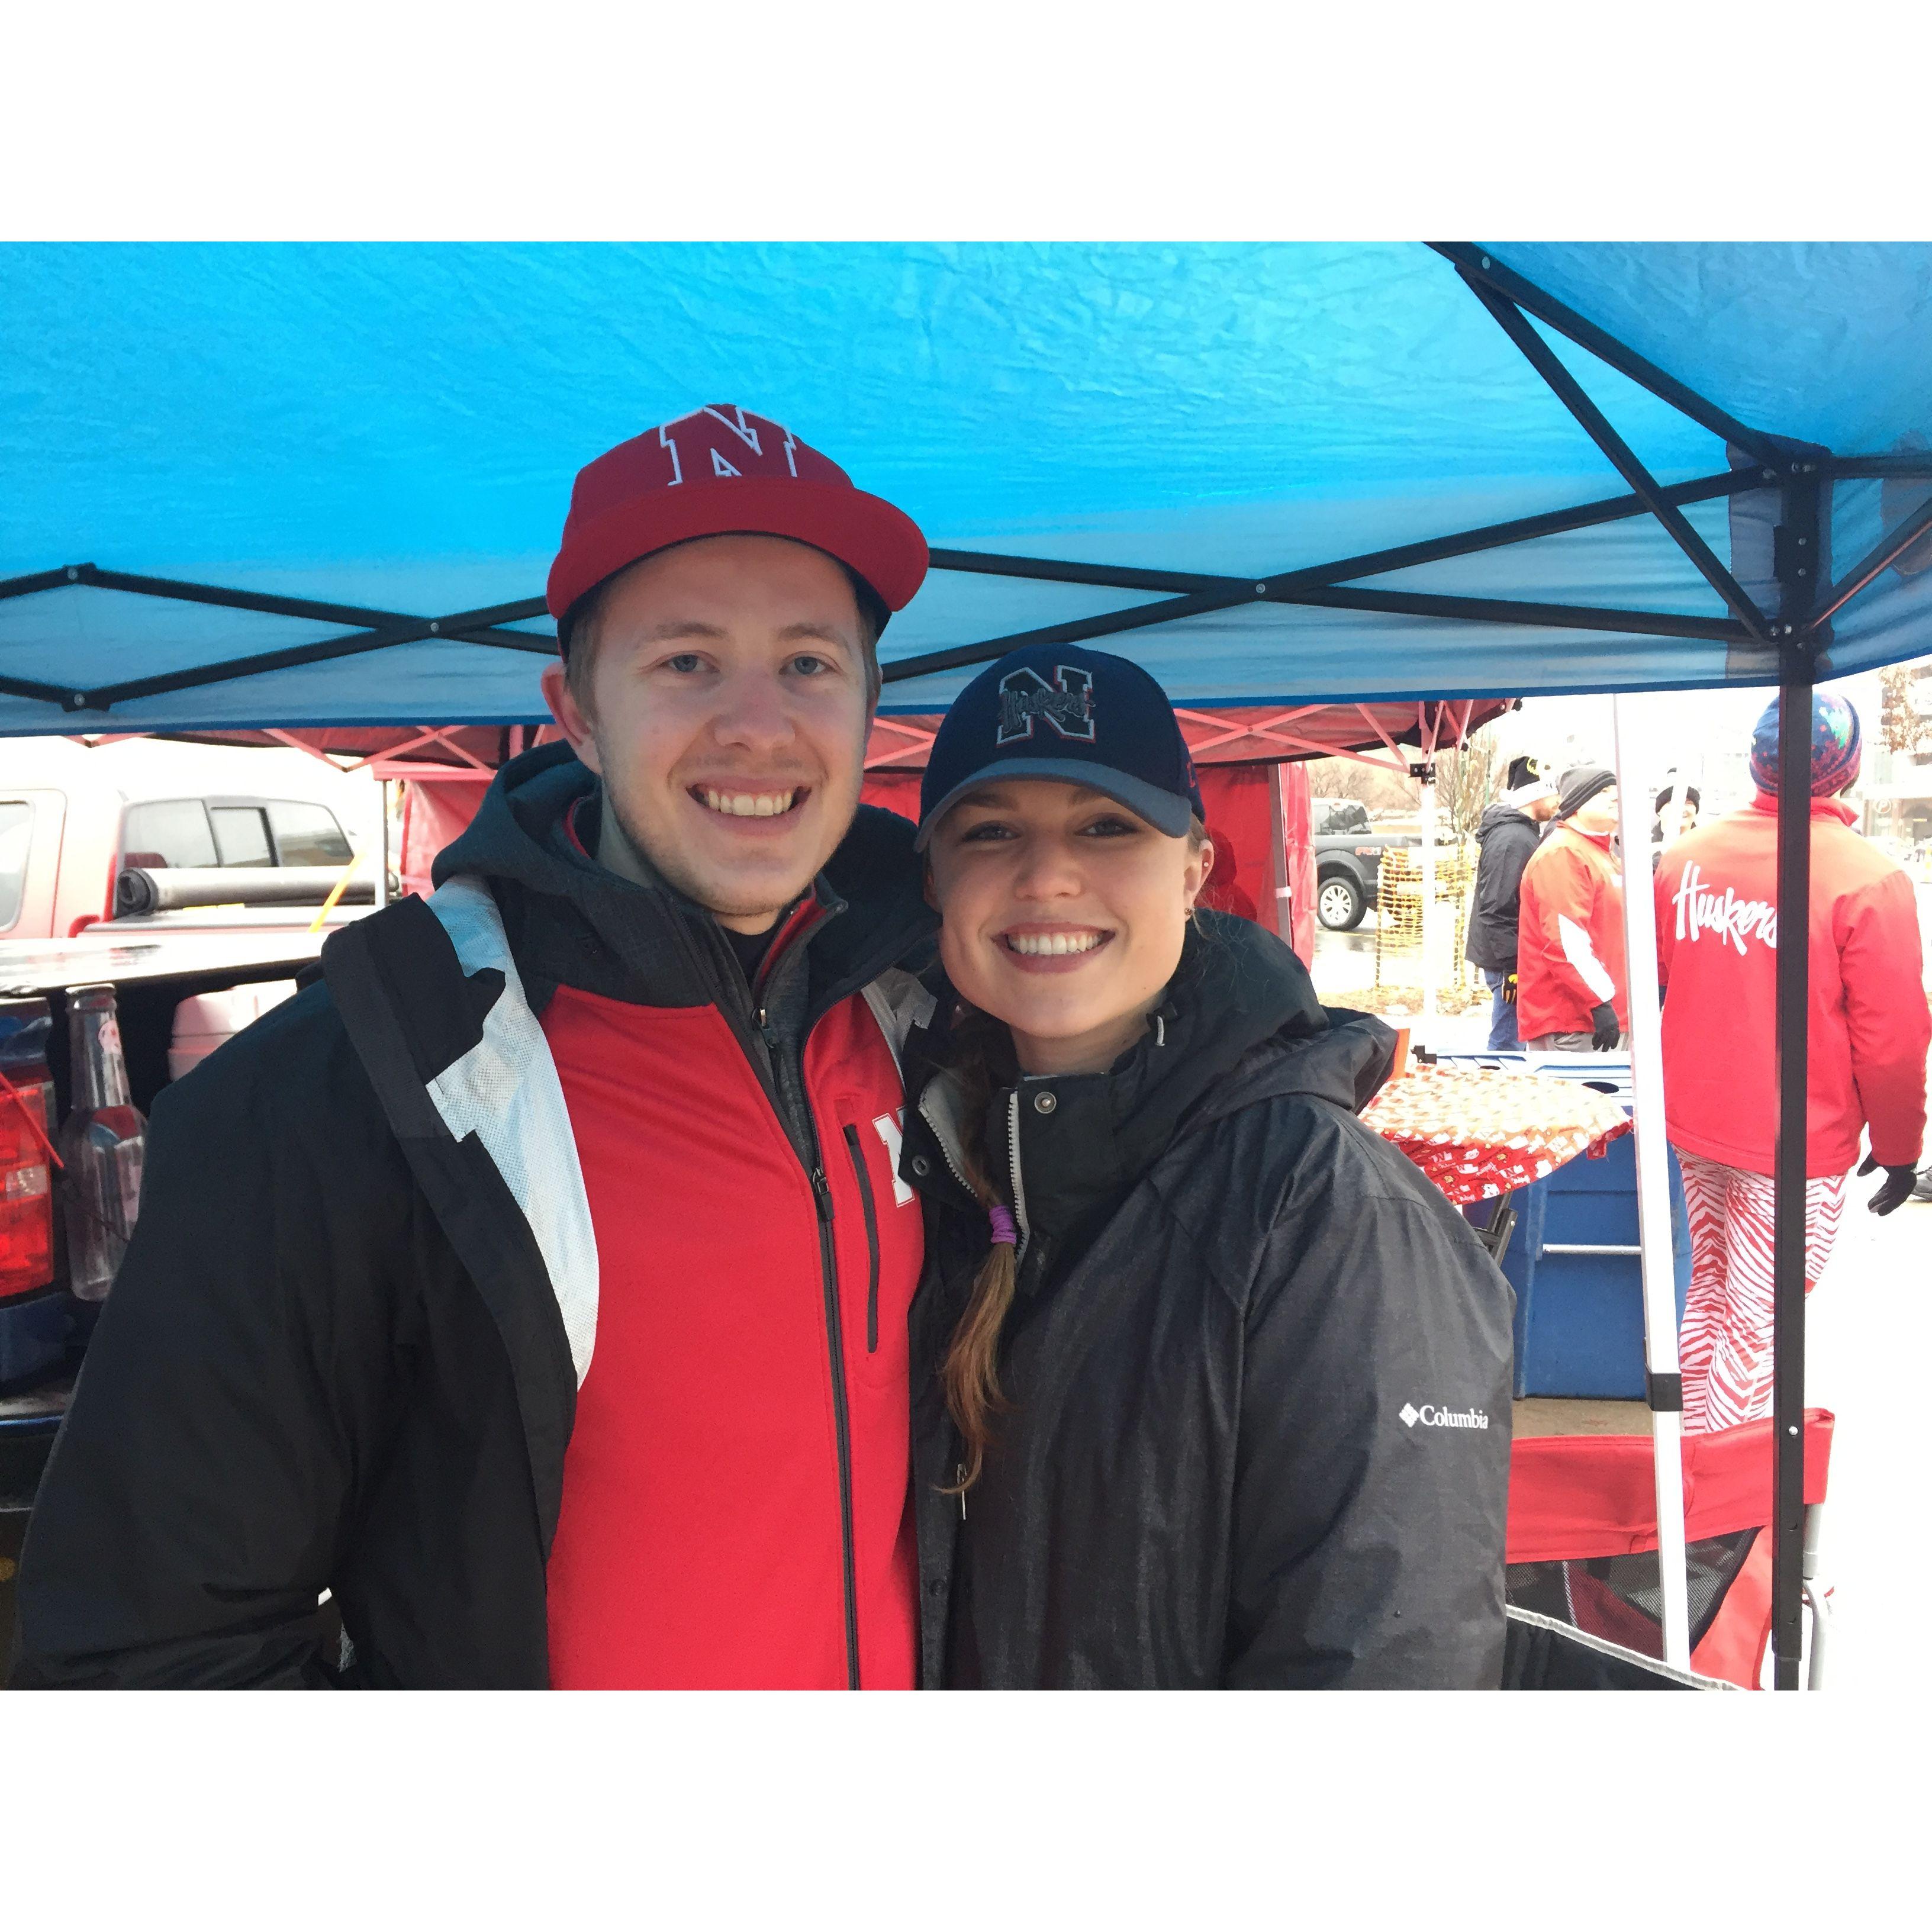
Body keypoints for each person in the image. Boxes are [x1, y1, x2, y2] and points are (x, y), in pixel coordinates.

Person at [12, 404, 940, 1689]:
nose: (757, 726)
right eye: (684, 663)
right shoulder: (353, 1089)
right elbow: (158, 1649)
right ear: (578, 712)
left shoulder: (930, 1015)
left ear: (873, 704)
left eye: (808, 663)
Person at [897, 642, 1515, 1688]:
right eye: (990, 830)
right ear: (933, 879)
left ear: (1193, 869)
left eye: (1106, 827)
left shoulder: (1324, 1207)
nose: (1046, 874)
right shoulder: (922, 1163)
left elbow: (1383, 1663)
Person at [1655, 693, 1929, 1433]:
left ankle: (1693, 1463)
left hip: (1698, 1122)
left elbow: (1661, 982)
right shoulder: (1868, 879)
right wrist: (1901, 1149)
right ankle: (1722, 1515)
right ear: (1848, 767)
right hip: (1796, 1141)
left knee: (1712, 1290)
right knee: (1761, 1318)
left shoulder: (1684, 859)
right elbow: (1896, 1040)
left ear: (1757, 760)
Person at [1513, 765, 1628, 1052]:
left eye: (1615, 791)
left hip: (1605, 1016)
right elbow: (1566, 941)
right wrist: (1599, 1001)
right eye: (1603, 792)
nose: (1614, 798)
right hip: (1575, 1021)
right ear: (1577, 803)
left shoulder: (1602, 854)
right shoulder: (1563, 854)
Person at [1464, 754, 1560, 1049]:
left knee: (1512, 1041)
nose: (1558, 800)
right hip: (1508, 962)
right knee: (1508, 1046)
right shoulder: (1514, 839)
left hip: (1508, 957)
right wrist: (1513, 968)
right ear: (1536, 794)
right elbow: (1496, 909)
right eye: (1552, 791)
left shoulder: (1521, 833)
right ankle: (1494, 1093)